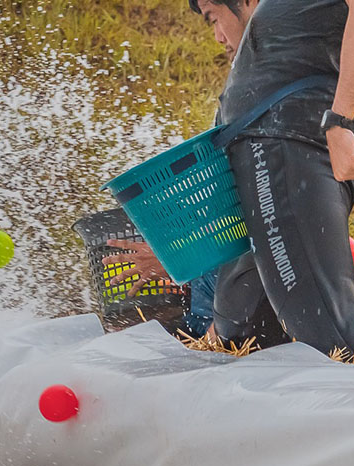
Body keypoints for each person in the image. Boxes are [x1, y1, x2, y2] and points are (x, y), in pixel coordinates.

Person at [209, 0, 354, 364]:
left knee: (332, 340)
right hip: (285, 126)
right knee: (242, 327)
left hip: (289, 133)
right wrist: (339, 122)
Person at [103, 0, 267, 341]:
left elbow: (259, 225)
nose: (218, 37)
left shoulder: (265, 100)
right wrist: (183, 265)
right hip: (213, 304)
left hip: (237, 323)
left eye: (214, 19)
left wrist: (180, 259)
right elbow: (232, 215)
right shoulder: (240, 95)